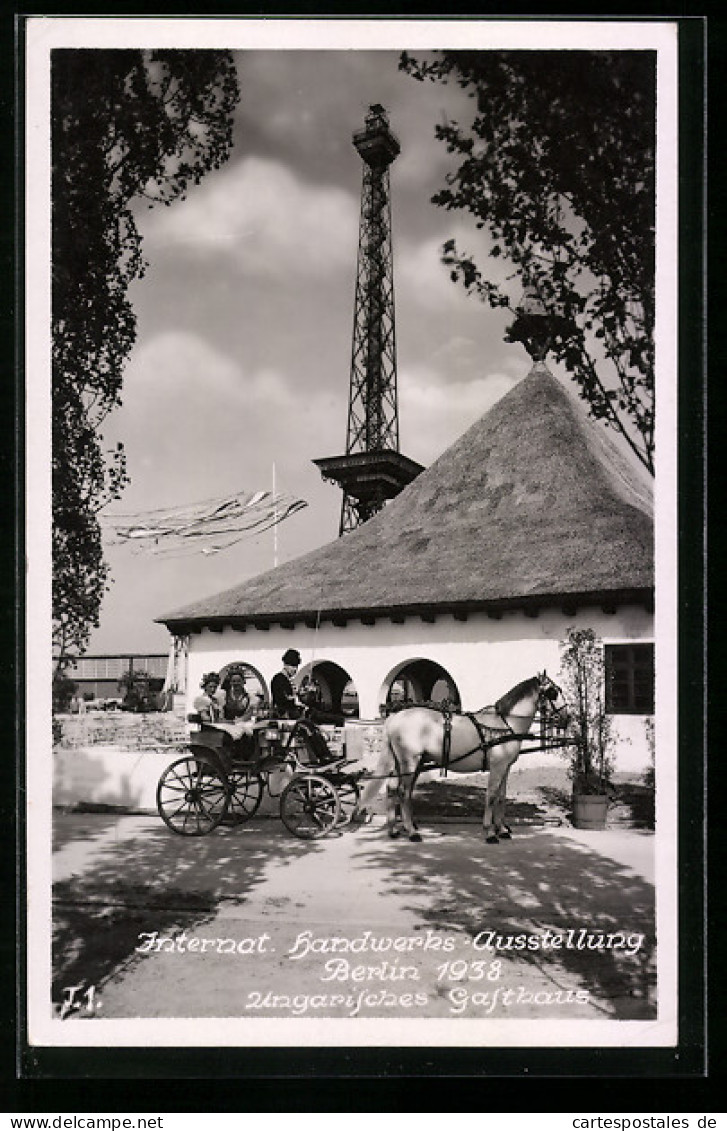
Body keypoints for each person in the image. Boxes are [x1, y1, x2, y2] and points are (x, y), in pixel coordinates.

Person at [271, 649, 303, 719]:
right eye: (293, 666)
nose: (295, 669)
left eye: (296, 667)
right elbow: (283, 699)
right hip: (284, 716)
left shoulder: (287, 679)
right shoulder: (279, 679)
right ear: (285, 665)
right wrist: (296, 698)